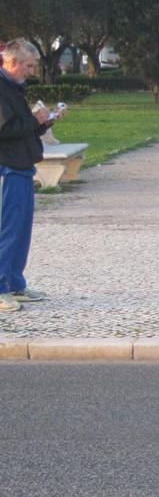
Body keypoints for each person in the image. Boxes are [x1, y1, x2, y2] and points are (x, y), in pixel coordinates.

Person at [0, 39, 59, 312]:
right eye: (28, 65)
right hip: (8, 168)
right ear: (11, 63)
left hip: (22, 166)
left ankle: (15, 283)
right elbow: (5, 130)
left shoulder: (14, 88)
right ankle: (1, 289)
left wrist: (42, 123)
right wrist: (33, 121)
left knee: (21, 232)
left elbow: (20, 130)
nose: (31, 71)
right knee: (8, 231)